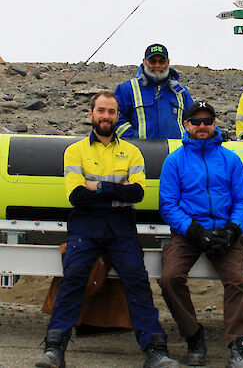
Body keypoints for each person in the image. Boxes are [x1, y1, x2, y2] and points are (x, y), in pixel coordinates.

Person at [35, 91, 178, 368]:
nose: (106, 116)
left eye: (111, 112)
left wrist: (96, 186)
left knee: (137, 282)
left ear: (117, 116)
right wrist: (115, 189)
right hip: (86, 224)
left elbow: (136, 193)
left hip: (120, 226)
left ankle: (155, 350)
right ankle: (54, 348)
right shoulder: (75, 151)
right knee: (74, 279)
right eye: (101, 110)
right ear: (91, 114)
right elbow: (76, 196)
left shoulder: (132, 152)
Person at [159, 100, 243, 367]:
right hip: (189, 232)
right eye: (196, 121)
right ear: (186, 125)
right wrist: (195, 232)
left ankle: (240, 348)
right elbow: (168, 204)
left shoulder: (231, 159)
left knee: (236, 282)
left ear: (215, 124)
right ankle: (194, 336)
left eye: (207, 121)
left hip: (225, 230)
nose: (202, 126)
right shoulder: (174, 160)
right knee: (169, 278)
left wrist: (234, 230)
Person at [114, 43, 193, 139]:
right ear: (144, 62)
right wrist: (135, 138)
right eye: (152, 61)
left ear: (168, 63)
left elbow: (193, 121)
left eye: (161, 61)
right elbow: (116, 119)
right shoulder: (127, 89)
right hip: (138, 151)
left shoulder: (181, 92)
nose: (157, 65)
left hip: (175, 152)